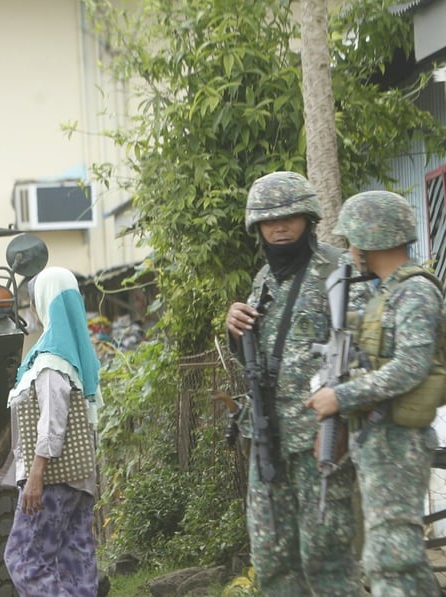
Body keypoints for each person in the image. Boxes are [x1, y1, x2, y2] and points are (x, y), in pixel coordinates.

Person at [224, 171, 363, 595]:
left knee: (327, 560)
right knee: (271, 560)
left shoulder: (338, 271)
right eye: (269, 221)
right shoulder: (265, 279)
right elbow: (256, 354)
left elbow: (361, 351)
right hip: (269, 436)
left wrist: (341, 418)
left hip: (319, 437)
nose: (280, 227)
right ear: (258, 229)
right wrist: (234, 329)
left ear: (309, 219)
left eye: (289, 218)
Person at [306, 190, 440, 596]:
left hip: (399, 444)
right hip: (379, 441)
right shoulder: (385, 293)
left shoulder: (415, 292)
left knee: (390, 561)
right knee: (398, 562)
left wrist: (340, 398)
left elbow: (410, 367)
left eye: (351, 241)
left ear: (367, 240)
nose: (349, 250)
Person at [0, 266, 101, 595]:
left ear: (45, 303)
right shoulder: (79, 357)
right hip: (78, 478)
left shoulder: (50, 360)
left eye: (34, 302)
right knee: (76, 559)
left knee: (23, 558)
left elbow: (52, 422)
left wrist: (36, 476)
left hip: (51, 477)